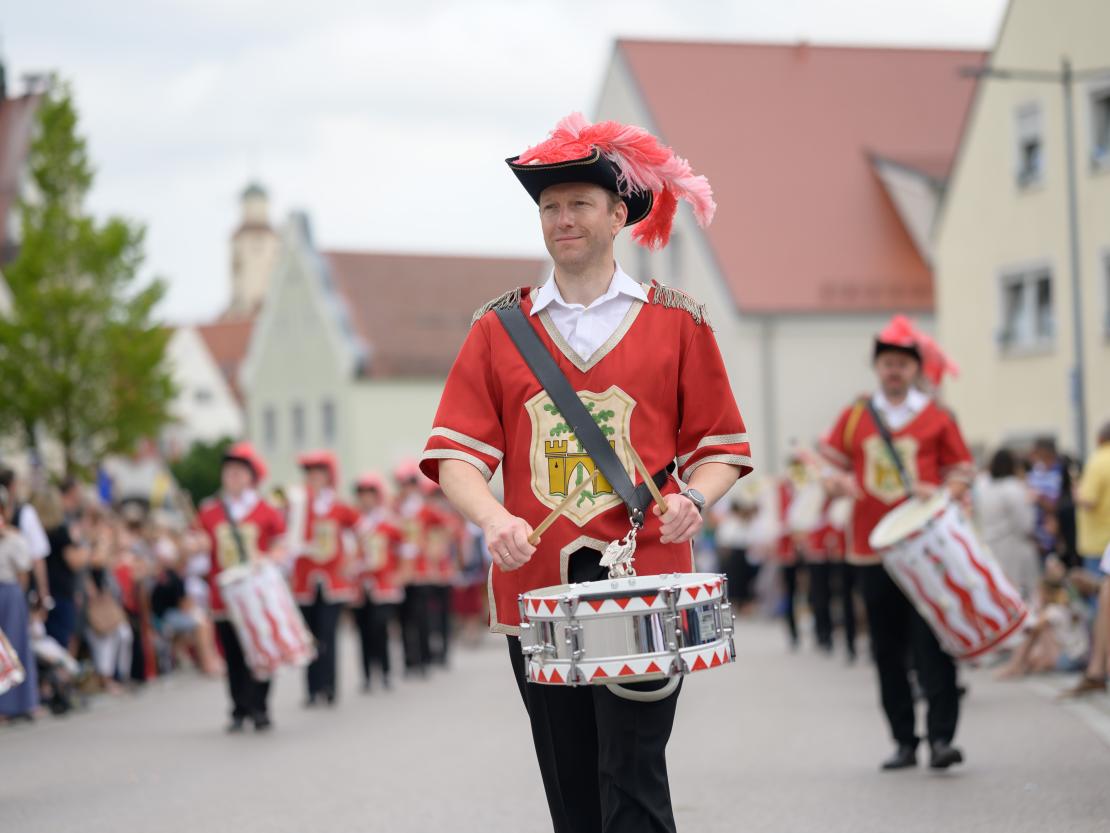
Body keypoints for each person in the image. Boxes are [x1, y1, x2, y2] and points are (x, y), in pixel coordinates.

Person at [420, 112, 751, 833]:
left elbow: (721, 446)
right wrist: (492, 516)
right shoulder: (497, 330)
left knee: (632, 774)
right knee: (570, 791)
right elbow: (457, 457)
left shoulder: (678, 323)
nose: (561, 218)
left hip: (646, 583)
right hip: (534, 586)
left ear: (617, 213)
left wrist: (697, 494)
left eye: (577, 204)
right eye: (549, 207)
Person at [820, 315, 974, 771]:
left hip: (925, 548)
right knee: (886, 649)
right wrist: (835, 483)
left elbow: (963, 473)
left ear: (915, 369)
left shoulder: (937, 416)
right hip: (871, 550)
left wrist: (943, 493)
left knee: (935, 642)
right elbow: (826, 468)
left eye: (902, 364)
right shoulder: (855, 416)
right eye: (887, 363)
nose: (894, 371)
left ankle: (941, 738)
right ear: (877, 367)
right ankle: (905, 741)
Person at [196, 442, 285, 732]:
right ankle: (238, 708)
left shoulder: (266, 510)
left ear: (250, 476)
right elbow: (200, 553)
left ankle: (260, 707)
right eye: (228, 471)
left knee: (261, 652)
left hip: (257, 595)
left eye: (238, 471)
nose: (232, 476)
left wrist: (268, 559)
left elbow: (281, 547)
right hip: (224, 596)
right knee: (233, 654)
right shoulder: (209, 512)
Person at [291, 450, 359, 706]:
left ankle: (329, 687)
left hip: (333, 581)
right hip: (304, 580)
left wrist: (352, 562)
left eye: (318, 473)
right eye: (309, 473)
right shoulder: (298, 505)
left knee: (328, 635)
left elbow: (363, 531)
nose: (313, 478)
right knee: (308, 636)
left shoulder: (339, 506)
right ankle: (311, 690)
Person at [1063, 421, 1110, 697]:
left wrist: (1077, 492)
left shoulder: (1097, 460)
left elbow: (1088, 500)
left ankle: (1097, 668)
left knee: (1099, 607)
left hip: (1097, 543)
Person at [351, 473, 404, 692]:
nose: (366, 499)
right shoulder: (354, 524)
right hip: (360, 585)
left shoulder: (389, 524)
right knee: (362, 631)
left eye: (369, 494)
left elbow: (404, 550)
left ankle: (384, 672)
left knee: (380, 629)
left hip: (383, 585)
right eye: (362, 495)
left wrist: (400, 574)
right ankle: (366, 676)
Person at [974, 448, 1040, 603]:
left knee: (998, 592)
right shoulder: (1014, 488)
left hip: (990, 545)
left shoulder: (982, 487)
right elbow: (1025, 525)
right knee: (1022, 593)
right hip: (1014, 547)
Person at [0, 484, 38, 722]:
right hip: (8, 591)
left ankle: (17, 703)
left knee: (13, 647)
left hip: (9, 592)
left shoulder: (13, 538)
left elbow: (23, 572)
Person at [0, 467, 52, 615]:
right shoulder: (25, 513)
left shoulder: (23, 514)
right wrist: (43, 593)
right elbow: (37, 557)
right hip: (11, 590)